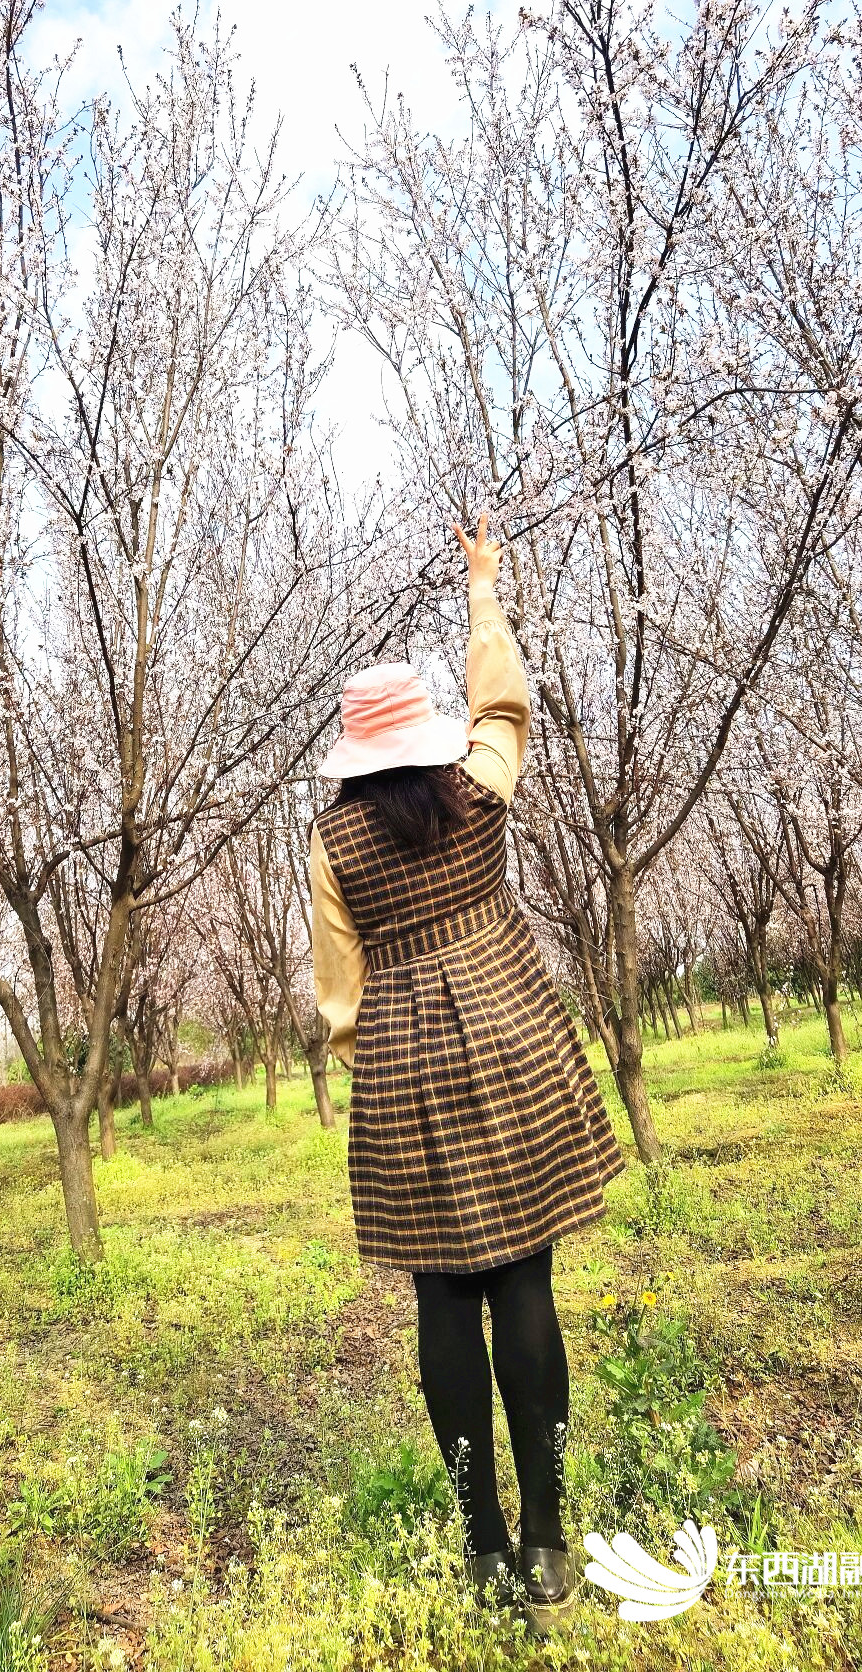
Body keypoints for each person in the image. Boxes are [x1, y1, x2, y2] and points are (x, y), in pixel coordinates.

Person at [309, 513, 628, 1628]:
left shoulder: (332, 840)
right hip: (511, 1032)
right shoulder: (479, 787)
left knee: (442, 1302)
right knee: (525, 1286)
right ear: (424, 732)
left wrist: (380, 1060)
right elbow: (503, 707)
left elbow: (339, 992)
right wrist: (482, 588)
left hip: (404, 1065)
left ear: (355, 752)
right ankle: (547, 1540)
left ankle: (482, 1544)